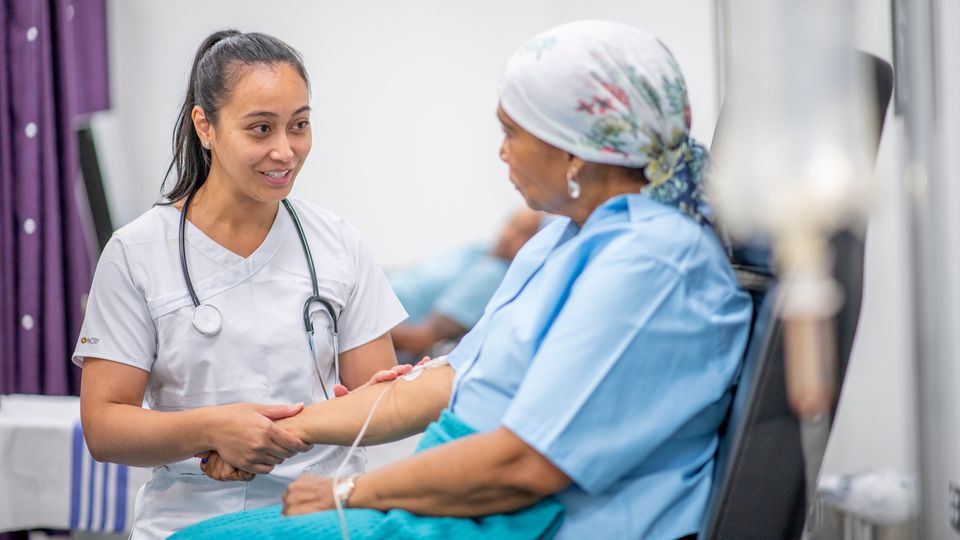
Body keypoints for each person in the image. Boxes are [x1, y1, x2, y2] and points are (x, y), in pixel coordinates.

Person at [183, 20, 753, 540]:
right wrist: (281, 433)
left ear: (574, 150)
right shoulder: (567, 236)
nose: (502, 151)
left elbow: (523, 465)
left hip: (526, 518)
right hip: (463, 493)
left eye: (513, 131)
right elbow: (451, 381)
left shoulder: (650, 263)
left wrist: (352, 490)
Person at [72, 30, 412, 539]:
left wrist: (281, 433)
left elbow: (382, 404)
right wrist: (212, 431)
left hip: (318, 517)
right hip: (189, 520)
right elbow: (104, 426)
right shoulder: (136, 252)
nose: (285, 151)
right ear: (204, 125)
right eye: (260, 129)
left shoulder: (337, 243)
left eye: (299, 125)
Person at [388, 208, 542, 361]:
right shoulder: (478, 250)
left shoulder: (492, 276)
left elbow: (417, 340)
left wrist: (371, 320)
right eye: (512, 225)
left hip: (383, 327)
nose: (510, 235)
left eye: (525, 233)